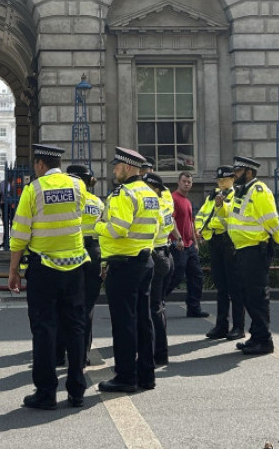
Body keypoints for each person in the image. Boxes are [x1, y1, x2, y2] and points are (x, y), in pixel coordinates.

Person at [8, 145, 89, 409]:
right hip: (75, 266)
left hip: (44, 268)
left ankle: (46, 393)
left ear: (41, 164)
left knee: (44, 329)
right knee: (75, 328)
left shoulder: (34, 189)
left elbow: (20, 233)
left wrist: (13, 271)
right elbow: (82, 216)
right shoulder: (77, 185)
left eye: (35, 165)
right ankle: (77, 390)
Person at [95, 147, 160, 393]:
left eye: (117, 166)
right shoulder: (149, 193)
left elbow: (118, 229)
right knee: (144, 320)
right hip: (145, 261)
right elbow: (154, 228)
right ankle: (146, 375)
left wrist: (98, 226)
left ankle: (125, 377)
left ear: (128, 167)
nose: (114, 170)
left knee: (124, 323)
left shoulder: (123, 193)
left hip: (124, 264)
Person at [227, 155, 279, 356]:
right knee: (247, 296)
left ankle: (264, 340)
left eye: (238, 171)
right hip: (243, 250)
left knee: (257, 296)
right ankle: (256, 336)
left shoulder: (259, 191)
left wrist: (278, 239)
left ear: (249, 172)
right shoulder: (242, 191)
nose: (234, 174)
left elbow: (271, 219)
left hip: (255, 251)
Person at [195, 166, 245, 341]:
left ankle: (238, 326)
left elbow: (230, 215)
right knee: (221, 287)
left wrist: (220, 205)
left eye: (224, 180)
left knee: (234, 287)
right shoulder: (213, 195)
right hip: (215, 242)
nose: (221, 183)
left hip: (230, 242)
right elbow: (201, 214)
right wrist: (198, 228)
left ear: (233, 179)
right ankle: (221, 325)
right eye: (219, 180)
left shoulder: (237, 195)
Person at [67, 164, 104, 367]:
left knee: (68, 304)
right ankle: (83, 355)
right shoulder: (98, 202)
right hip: (95, 252)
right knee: (88, 306)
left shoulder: (70, 202)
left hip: (73, 252)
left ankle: (63, 352)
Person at [144, 171, 179, 367]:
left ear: (155, 189)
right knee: (159, 306)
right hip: (166, 255)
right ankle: (161, 352)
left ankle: (157, 354)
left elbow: (148, 233)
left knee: (153, 308)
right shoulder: (166, 201)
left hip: (156, 256)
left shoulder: (154, 207)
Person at [164, 171, 207, 318]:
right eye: (184, 181)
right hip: (178, 245)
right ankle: (155, 302)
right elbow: (171, 220)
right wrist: (178, 239)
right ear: (178, 182)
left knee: (197, 276)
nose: (187, 184)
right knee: (176, 276)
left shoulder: (187, 201)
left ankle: (194, 308)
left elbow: (191, 223)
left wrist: (195, 242)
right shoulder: (173, 198)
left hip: (190, 246)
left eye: (189, 182)